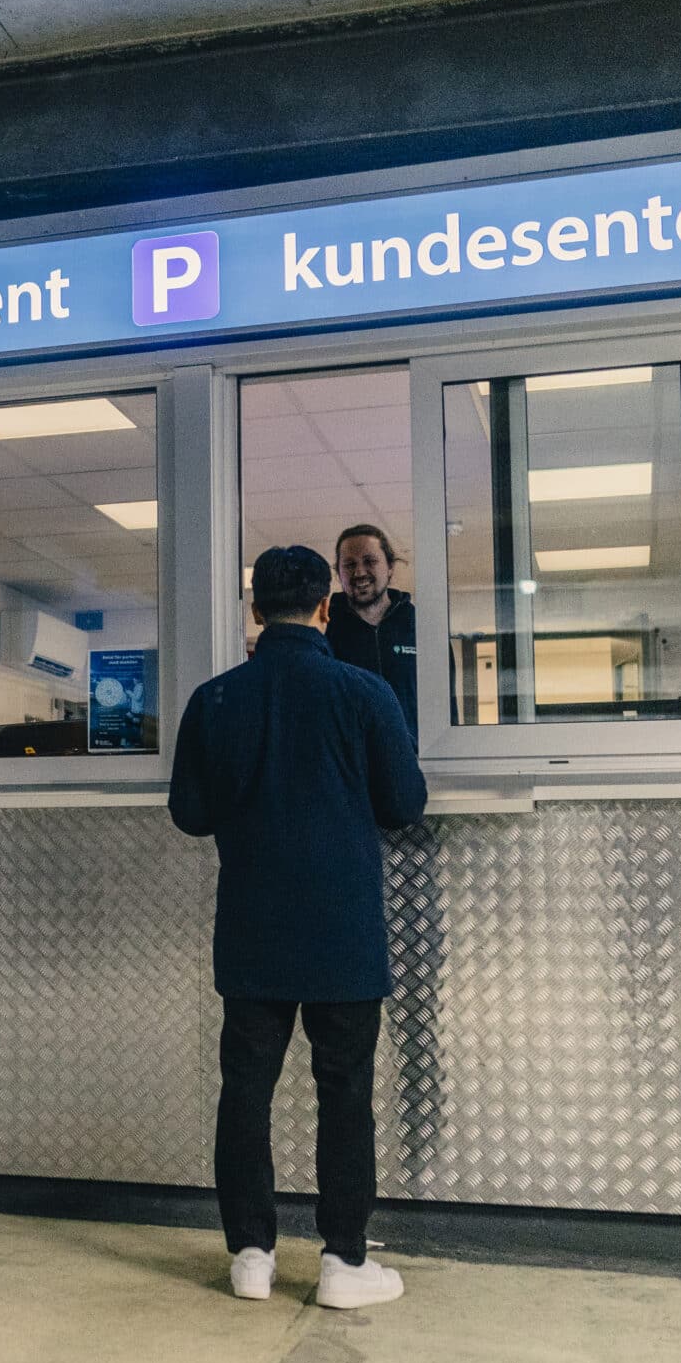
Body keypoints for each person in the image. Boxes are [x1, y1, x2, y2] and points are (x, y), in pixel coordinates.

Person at [169, 544, 428, 1308]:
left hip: (253, 928)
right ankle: (343, 1262)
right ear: (324, 606)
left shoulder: (215, 699)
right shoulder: (365, 692)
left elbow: (190, 814)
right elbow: (403, 803)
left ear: (255, 610)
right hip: (343, 930)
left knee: (245, 1091)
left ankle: (251, 1254)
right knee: (345, 1094)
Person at [326, 525, 420, 733]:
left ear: (390, 567)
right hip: (349, 753)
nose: (359, 572)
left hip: (412, 750)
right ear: (338, 573)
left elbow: (444, 704)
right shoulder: (326, 633)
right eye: (349, 564)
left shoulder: (420, 627)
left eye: (370, 561)